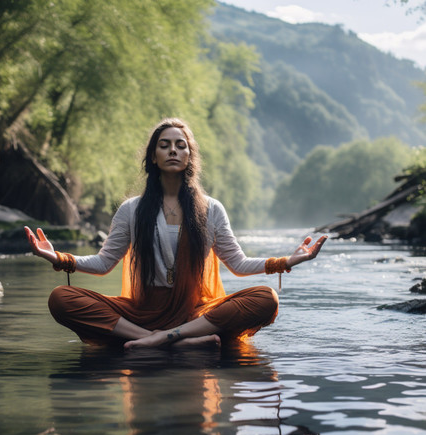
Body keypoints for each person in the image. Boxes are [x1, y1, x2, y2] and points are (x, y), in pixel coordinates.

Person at [25, 117, 327, 350]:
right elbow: (104, 263)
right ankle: (163, 339)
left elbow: (237, 263)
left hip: (196, 313)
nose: (173, 150)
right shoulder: (132, 209)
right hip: (142, 312)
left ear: (190, 157)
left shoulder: (211, 210)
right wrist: (60, 258)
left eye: (180, 145)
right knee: (61, 298)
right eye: (165, 144)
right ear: (153, 157)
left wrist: (287, 261)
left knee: (266, 298)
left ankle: (163, 339)